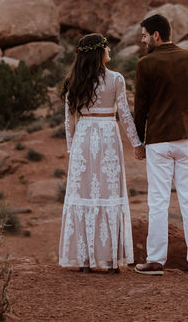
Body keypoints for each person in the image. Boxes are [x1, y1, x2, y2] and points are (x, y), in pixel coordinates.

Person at [132, 13, 188, 276]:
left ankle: (156, 260)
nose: (143, 41)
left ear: (157, 35)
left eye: (145, 36)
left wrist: (138, 141)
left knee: (158, 201)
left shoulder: (145, 64)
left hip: (159, 140)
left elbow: (141, 108)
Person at [58, 32, 144, 273]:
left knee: (84, 192)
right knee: (108, 192)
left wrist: (71, 148)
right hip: (107, 135)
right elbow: (125, 115)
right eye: (106, 48)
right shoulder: (116, 79)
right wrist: (137, 143)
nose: (110, 51)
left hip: (84, 137)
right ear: (99, 52)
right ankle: (111, 261)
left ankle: (86, 260)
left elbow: (69, 121)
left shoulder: (74, 81)